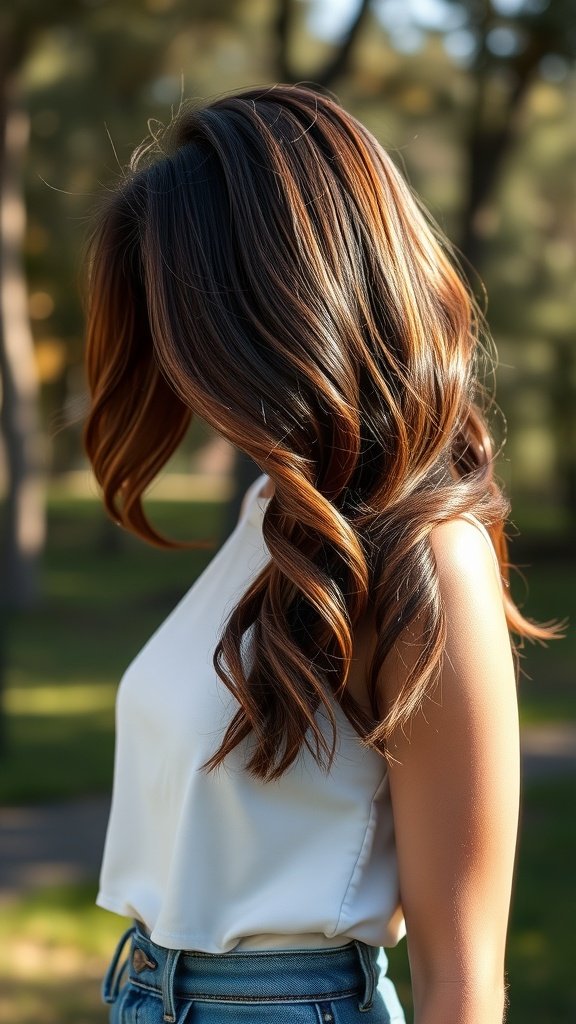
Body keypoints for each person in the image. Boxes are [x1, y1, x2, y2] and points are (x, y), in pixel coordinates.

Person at [83, 83, 560, 1024]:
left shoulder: (429, 557)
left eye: (188, 330)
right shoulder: (275, 510)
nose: (175, 369)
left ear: (275, 316)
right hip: (146, 989)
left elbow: (464, 983)